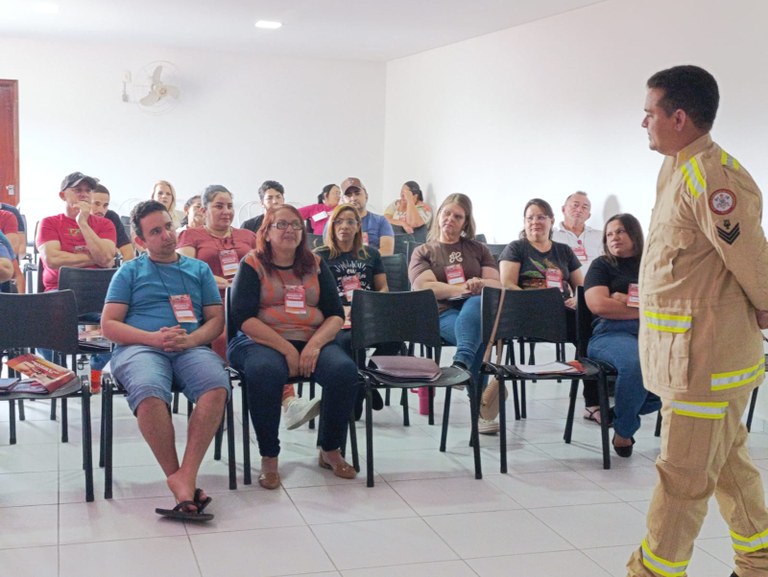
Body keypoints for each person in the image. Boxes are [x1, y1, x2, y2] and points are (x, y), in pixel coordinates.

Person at [626, 65, 768, 577]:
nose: (644, 123)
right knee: (730, 466)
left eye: (650, 113)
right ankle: (760, 560)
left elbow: (754, 263)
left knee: (681, 480)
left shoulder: (712, 177)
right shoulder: (676, 168)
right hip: (687, 361)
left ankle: (654, 572)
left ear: (679, 117)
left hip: (707, 366)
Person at [101, 200, 230, 522]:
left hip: (191, 346)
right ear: (142, 240)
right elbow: (109, 325)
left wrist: (192, 339)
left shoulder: (199, 269)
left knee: (217, 386)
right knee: (148, 391)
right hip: (140, 347)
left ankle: (185, 476)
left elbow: (216, 320)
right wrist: (151, 338)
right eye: (155, 232)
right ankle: (180, 480)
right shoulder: (129, 272)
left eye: (168, 227)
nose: (166, 236)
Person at [228, 204, 358, 489]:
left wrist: (312, 346)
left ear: (303, 232)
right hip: (259, 340)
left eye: (296, 225)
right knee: (265, 373)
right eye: (281, 225)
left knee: (344, 372)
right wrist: (287, 350)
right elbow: (242, 318)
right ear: (267, 231)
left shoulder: (314, 263)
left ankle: (330, 449)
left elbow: (336, 314)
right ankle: (269, 457)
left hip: (311, 338)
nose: (289, 230)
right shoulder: (252, 263)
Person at [177, 185, 321, 430]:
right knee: (224, 333)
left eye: (230, 206)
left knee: (270, 332)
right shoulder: (191, 236)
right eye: (218, 206)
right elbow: (184, 273)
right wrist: (222, 282)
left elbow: (267, 263)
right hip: (212, 304)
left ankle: (289, 402)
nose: (226, 211)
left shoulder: (246, 235)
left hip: (250, 301)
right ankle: (217, 399)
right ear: (203, 209)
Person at [408, 193, 501, 433]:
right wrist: (465, 287)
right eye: (447, 213)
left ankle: (461, 364)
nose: (451, 219)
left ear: (466, 222)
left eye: (458, 216)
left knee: (475, 305)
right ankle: (480, 411)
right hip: (440, 315)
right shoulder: (424, 251)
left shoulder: (478, 249)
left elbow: (496, 284)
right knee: (477, 334)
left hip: (474, 311)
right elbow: (426, 287)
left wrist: (479, 285)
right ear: (438, 215)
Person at [584, 214, 660, 456]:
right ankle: (624, 432)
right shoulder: (601, 266)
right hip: (610, 334)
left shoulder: (652, 265)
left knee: (680, 368)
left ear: (634, 234)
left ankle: (619, 413)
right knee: (636, 366)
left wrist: (624, 300)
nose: (613, 237)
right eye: (609, 234)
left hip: (652, 334)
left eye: (620, 232)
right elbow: (599, 306)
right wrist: (646, 308)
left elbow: (669, 303)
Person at [315, 203, 394, 419]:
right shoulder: (320, 256)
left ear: (358, 226)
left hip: (368, 314)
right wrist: (340, 310)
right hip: (336, 316)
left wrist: (372, 307)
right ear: (331, 226)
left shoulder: (371, 254)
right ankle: (360, 388)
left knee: (395, 340)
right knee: (347, 341)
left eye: (350, 222)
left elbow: (383, 287)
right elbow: (315, 294)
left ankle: (364, 382)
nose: (345, 226)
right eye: (339, 221)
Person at [37, 172, 117, 293]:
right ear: (62, 195)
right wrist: (96, 259)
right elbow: (53, 260)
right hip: (59, 290)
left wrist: (82, 223)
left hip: (97, 289)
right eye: (78, 190)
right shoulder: (48, 223)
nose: (84, 195)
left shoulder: (105, 224)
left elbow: (105, 258)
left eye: (88, 191)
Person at [498, 198, 583, 309]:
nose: (535, 222)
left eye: (541, 217)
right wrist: (534, 300)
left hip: (563, 307)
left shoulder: (564, 250)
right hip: (527, 307)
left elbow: (581, 287)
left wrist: (576, 299)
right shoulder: (515, 248)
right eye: (530, 218)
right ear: (524, 222)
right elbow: (507, 284)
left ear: (551, 221)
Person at [323, 177, 394, 256]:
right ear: (342, 200)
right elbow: (329, 251)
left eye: (357, 193)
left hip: (372, 265)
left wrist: (361, 260)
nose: (353, 198)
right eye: (348, 195)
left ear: (366, 196)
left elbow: (387, 252)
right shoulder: (333, 222)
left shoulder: (381, 221)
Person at [552, 191, 603, 268]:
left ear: (588, 216)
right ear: (563, 209)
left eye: (584, 207)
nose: (579, 210)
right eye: (575, 205)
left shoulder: (601, 236)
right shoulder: (551, 235)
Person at [91, 184, 135, 263]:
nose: (101, 210)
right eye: (96, 204)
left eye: (105, 205)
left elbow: (129, 255)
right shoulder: (76, 218)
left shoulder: (111, 217)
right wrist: (111, 253)